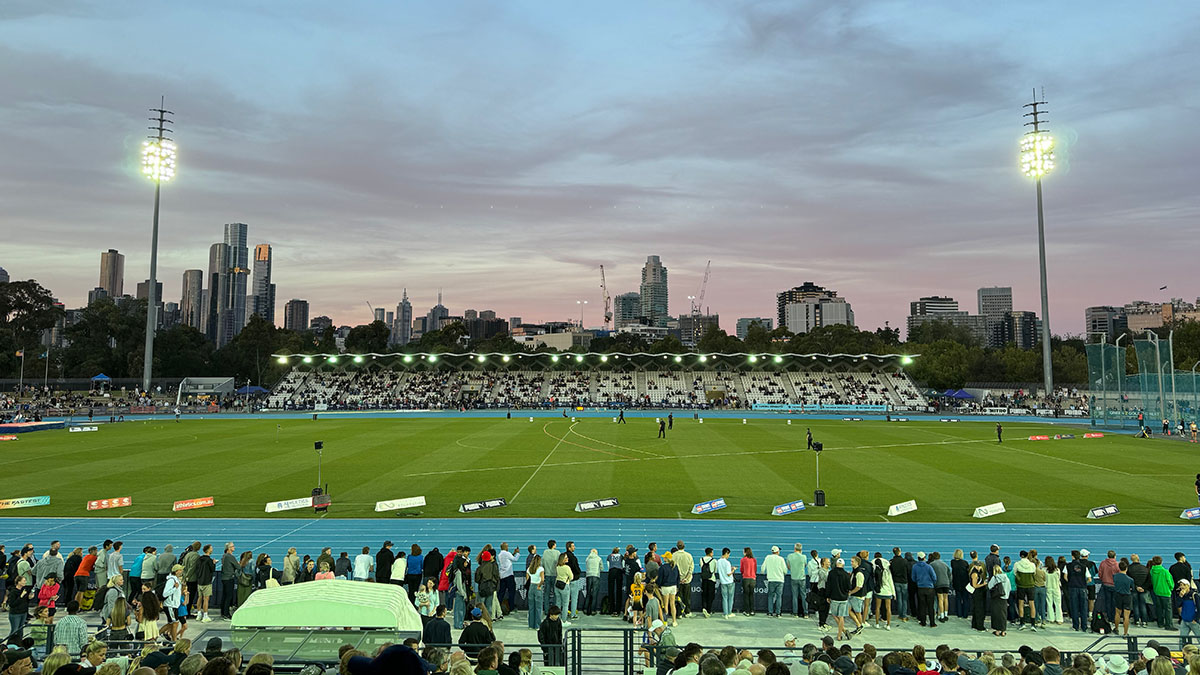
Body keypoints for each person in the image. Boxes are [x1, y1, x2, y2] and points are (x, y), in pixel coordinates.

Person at [826, 557, 851, 640]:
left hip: (834, 598)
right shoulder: (846, 575)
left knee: (834, 614)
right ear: (843, 565)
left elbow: (828, 586)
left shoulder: (831, 573)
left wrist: (828, 596)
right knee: (841, 617)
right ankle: (840, 634)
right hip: (843, 598)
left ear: (836, 564)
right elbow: (849, 587)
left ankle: (842, 631)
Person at [911, 552, 936, 628]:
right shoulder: (929, 567)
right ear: (924, 557)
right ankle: (932, 623)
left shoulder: (915, 567)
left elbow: (913, 578)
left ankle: (923, 622)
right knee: (930, 606)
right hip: (929, 588)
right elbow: (934, 577)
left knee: (922, 606)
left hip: (920, 588)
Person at [763, 546, 787, 619]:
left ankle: (770, 612)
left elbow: (763, 568)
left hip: (771, 579)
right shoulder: (781, 559)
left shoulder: (768, 557)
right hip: (780, 580)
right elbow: (785, 570)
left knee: (770, 596)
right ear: (778, 552)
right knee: (779, 596)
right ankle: (778, 613)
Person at [1151, 556, 1174, 630]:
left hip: (1157, 592)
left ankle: (1160, 623)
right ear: (1161, 562)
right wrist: (1171, 588)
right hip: (1165, 592)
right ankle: (1169, 625)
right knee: (1168, 610)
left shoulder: (1152, 571)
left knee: (1159, 609)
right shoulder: (1165, 571)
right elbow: (1170, 582)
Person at [658, 552, 680, 626]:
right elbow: (678, 577)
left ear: (666, 558)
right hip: (673, 586)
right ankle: (674, 621)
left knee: (665, 604)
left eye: (664, 557)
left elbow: (660, 578)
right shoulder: (675, 566)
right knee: (672, 604)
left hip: (665, 587)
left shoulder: (663, 567)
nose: (663, 558)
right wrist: (677, 586)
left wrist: (658, 585)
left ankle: (665, 621)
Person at [497, 543, 519, 616]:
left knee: (501, 592)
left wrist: (514, 553)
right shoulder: (507, 553)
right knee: (511, 592)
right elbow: (515, 559)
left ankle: (498, 606)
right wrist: (517, 553)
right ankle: (511, 607)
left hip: (502, 576)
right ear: (506, 547)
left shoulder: (500, 554)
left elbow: (509, 559)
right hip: (509, 575)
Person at [1113, 560, 1134, 636]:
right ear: (1126, 568)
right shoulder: (1130, 579)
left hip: (1118, 595)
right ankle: (1125, 633)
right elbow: (1133, 588)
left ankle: (1116, 629)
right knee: (1126, 616)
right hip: (1127, 597)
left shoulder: (1115, 576)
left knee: (1117, 613)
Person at [873, 554, 894, 630]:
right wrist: (893, 593)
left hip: (879, 591)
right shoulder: (886, 572)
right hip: (887, 591)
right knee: (888, 608)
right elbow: (890, 582)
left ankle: (877, 623)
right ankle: (888, 625)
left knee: (877, 607)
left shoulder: (876, 572)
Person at [988, 564, 1010, 636]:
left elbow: (989, 586)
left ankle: (997, 631)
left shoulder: (995, 578)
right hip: (1004, 598)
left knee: (996, 614)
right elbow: (1009, 588)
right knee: (1003, 614)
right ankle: (1003, 631)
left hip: (996, 597)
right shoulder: (1006, 578)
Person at [786, 543, 806, 619]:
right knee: (803, 596)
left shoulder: (790, 556)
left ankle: (795, 613)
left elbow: (788, 567)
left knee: (795, 596)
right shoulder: (803, 557)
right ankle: (805, 612)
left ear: (794, 549)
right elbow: (804, 565)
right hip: (802, 578)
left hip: (794, 577)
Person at [1179, 580, 1200, 649]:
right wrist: (1180, 597)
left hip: (1193, 621)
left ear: (1188, 586)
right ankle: (1181, 653)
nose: (1182, 587)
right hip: (1185, 620)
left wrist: (1196, 619)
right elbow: (1177, 605)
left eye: (1183, 585)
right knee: (1182, 639)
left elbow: (1199, 607)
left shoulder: (1194, 595)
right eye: (1181, 585)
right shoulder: (1182, 595)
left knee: (1199, 637)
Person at [717, 548, 735, 619]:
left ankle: (725, 614)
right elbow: (728, 574)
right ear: (726, 553)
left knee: (724, 598)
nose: (729, 556)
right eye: (729, 554)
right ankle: (729, 612)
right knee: (730, 598)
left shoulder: (718, 561)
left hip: (723, 582)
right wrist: (733, 570)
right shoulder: (727, 562)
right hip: (729, 582)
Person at [739, 548, 758, 616]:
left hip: (746, 578)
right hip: (752, 579)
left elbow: (741, 570)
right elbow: (755, 569)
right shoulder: (754, 560)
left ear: (745, 552)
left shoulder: (743, 560)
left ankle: (746, 611)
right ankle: (752, 610)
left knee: (746, 595)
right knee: (751, 595)